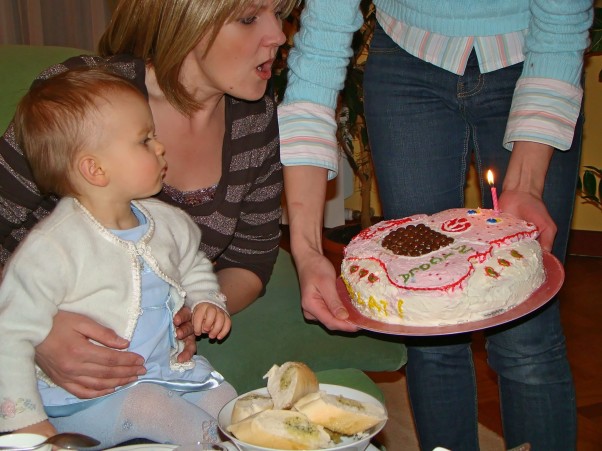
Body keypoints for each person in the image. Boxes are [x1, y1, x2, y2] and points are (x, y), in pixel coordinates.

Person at [278, 0, 593, 449]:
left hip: (535, 55)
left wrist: (526, 183)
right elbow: (319, 51)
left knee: (528, 338)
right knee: (427, 331)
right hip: (405, 60)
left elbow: (562, 19)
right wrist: (307, 250)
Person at [0, 0, 297, 399]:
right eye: (248, 19)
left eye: (280, 14)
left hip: (148, 370)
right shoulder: (86, 96)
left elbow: (251, 259)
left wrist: (192, 310)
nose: (279, 35)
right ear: (187, 19)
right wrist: (38, 330)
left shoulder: (256, 115)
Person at [0, 67, 235, 446]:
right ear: (94, 169)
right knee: (161, 411)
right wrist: (27, 423)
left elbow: (193, 265)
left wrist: (206, 299)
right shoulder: (52, 247)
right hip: (84, 401)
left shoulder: (169, 222)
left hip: (167, 373)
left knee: (232, 408)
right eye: (144, 140)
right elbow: (9, 334)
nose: (160, 147)